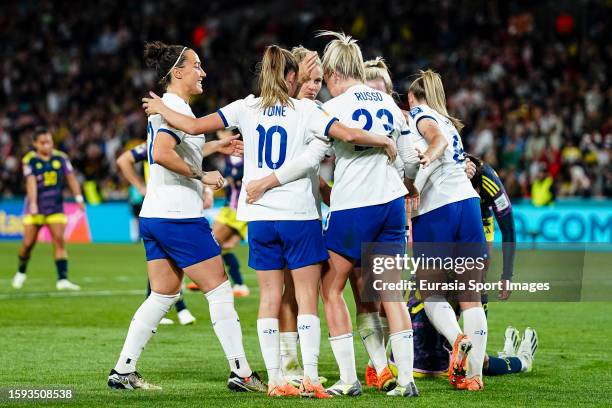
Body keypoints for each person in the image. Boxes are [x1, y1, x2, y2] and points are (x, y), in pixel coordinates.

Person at [142, 44, 396, 398]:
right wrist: (383, 140)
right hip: (298, 215)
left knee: (270, 298)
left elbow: (195, 125)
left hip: (259, 216)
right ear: (291, 77)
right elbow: (349, 136)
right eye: (308, 79)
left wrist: (160, 108)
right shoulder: (307, 110)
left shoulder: (245, 106)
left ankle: (277, 379)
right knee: (309, 298)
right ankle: (309, 376)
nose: (313, 86)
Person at [246, 33, 421, 398]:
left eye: (322, 78)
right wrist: (407, 186)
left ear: (334, 73)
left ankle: (346, 378)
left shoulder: (331, 108)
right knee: (389, 291)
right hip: (391, 202)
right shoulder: (391, 104)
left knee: (329, 288)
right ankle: (405, 381)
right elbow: (409, 161)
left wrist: (266, 179)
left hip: (352, 206)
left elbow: (312, 156)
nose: (320, 84)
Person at [107, 41, 266, 393]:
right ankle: (241, 373)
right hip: (179, 215)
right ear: (178, 72)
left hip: (156, 215)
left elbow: (174, 146)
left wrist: (214, 146)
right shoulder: (175, 106)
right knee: (220, 289)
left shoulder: (172, 109)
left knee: (163, 294)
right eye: (197, 66)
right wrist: (202, 174)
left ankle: (123, 370)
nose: (203, 72)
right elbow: (162, 154)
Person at [407, 69, 488, 391]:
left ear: (413, 97)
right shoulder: (449, 123)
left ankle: (457, 340)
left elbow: (434, 142)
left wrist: (415, 183)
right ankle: (474, 376)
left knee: (431, 294)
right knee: (471, 298)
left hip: (436, 210)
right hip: (468, 206)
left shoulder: (420, 115)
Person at [12, 127, 84, 291]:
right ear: (35, 144)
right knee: (28, 244)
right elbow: (30, 182)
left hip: (55, 206)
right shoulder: (29, 159)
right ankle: (21, 271)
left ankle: (62, 279)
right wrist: (33, 204)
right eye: (43, 143)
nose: (47, 146)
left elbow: (71, 178)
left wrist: (79, 198)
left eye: (49, 142)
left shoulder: (61, 158)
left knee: (59, 240)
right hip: (35, 208)